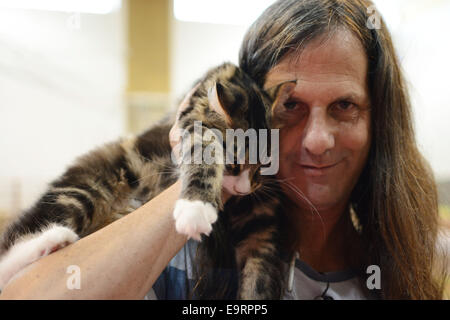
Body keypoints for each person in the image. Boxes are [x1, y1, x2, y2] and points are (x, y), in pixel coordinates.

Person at [0, 0, 446, 300]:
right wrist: (200, 161)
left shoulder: (413, 258)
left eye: (344, 106)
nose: (316, 140)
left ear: (377, 120)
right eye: (289, 107)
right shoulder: (179, 255)